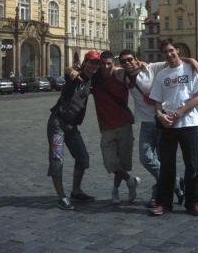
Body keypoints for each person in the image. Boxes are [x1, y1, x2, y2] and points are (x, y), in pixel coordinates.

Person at [119, 49, 190, 207]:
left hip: (161, 121)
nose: (128, 63)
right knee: (146, 158)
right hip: (145, 123)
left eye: (130, 59)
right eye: (123, 61)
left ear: (136, 59)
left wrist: (191, 60)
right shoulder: (123, 76)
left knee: (162, 160)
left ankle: (157, 194)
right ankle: (176, 182)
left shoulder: (152, 68)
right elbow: (105, 69)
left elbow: (173, 61)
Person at [149, 39, 198, 216]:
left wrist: (179, 113)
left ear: (178, 50)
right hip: (168, 126)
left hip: (189, 124)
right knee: (167, 166)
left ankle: (193, 202)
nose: (169, 54)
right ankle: (163, 203)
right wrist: (160, 115)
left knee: (192, 165)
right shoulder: (161, 75)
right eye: (165, 52)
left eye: (171, 50)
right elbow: (157, 103)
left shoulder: (191, 68)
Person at [47, 50, 101, 210]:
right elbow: (67, 69)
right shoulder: (74, 76)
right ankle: (61, 197)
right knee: (57, 160)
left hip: (72, 126)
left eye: (96, 63)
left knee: (83, 158)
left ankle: (76, 191)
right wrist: (70, 70)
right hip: (57, 123)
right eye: (91, 62)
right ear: (85, 62)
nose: (93, 65)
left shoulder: (93, 78)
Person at [92, 50, 141, 204]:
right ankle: (131, 181)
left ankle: (115, 191)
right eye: (103, 64)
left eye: (109, 64)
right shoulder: (95, 79)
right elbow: (76, 71)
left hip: (124, 124)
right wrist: (70, 70)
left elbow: (141, 70)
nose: (106, 67)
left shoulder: (121, 76)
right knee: (110, 162)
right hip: (106, 127)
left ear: (113, 64)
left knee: (122, 163)